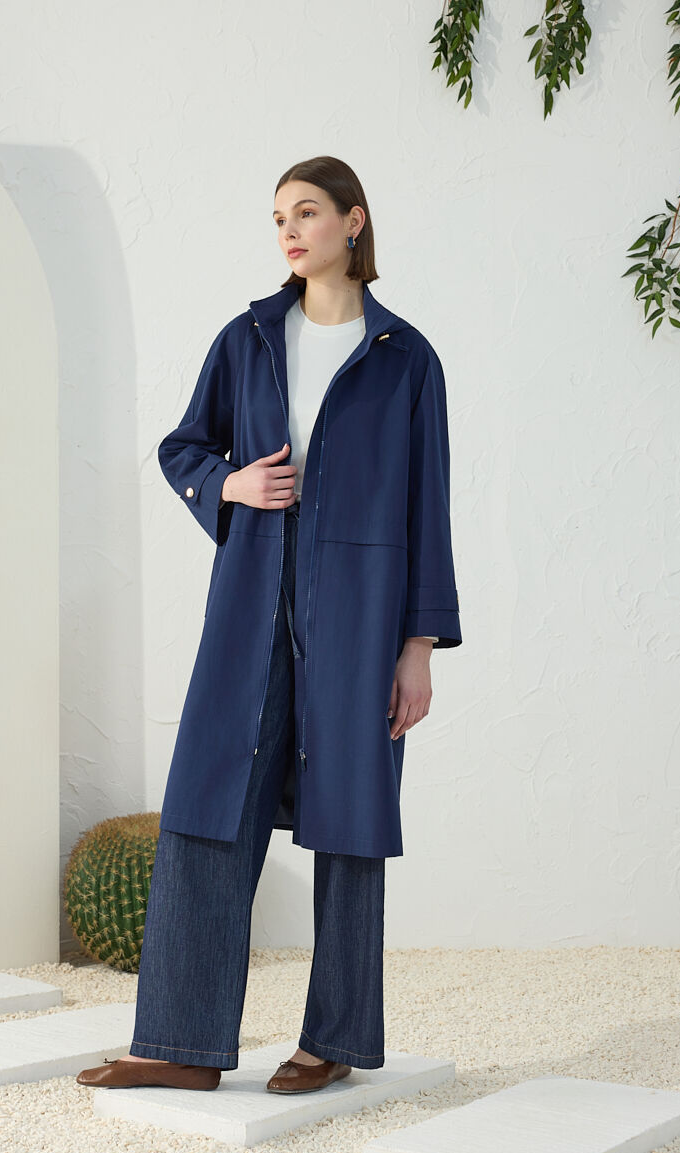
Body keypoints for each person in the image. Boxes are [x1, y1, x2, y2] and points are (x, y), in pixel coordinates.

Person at [77, 155, 461, 1096]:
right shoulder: (248, 338)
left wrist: (417, 648)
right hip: (250, 608)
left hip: (362, 621)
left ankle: (333, 1038)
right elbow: (184, 447)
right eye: (279, 217)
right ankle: (179, 1043)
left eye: (308, 212)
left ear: (354, 222)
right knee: (209, 805)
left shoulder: (406, 358)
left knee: (351, 822)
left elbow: (429, 508)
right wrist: (232, 484)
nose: (289, 231)